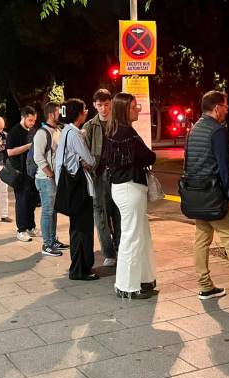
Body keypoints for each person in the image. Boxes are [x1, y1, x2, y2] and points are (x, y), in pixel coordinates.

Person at [185, 91, 229, 302]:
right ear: (216, 108)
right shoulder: (217, 131)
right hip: (216, 196)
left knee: (201, 240)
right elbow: (224, 168)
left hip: (196, 195)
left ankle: (205, 286)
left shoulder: (193, 129)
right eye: (225, 106)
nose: (227, 110)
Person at [104, 93, 157, 299]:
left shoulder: (114, 131)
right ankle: (127, 285)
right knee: (132, 236)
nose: (138, 109)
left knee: (138, 234)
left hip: (124, 187)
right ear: (124, 109)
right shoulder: (127, 134)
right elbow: (148, 156)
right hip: (130, 187)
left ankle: (142, 279)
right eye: (134, 106)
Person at [55, 99, 98, 280]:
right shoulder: (74, 134)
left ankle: (79, 267)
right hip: (79, 189)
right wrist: (89, 162)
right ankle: (81, 269)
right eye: (85, 109)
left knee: (76, 228)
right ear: (79, 114)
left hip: (69, 188)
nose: (87, 111)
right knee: (83, 229)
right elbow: (90, 159)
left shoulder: (66, 131)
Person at [83, 89, 121, 267]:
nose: (104, 109)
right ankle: (108, 252)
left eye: (106, 104)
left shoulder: (120, 123)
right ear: (94, 105)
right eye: (100, 105)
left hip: (118, 175)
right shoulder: (90, 126)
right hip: (98, 176)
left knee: (119, 213)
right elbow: (85, 151)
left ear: (111, 103)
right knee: (101, 215)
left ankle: (121, 246)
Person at [33, 102, 69, 257]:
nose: (60, 114)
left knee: (53, 211)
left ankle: (53, 240)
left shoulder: (58, 130)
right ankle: (47, 244)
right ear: (50, 114)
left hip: (54, 178)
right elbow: (38, 157)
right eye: (57, 112)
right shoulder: (42, 133)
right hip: (45, 179)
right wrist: (50, 174)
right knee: (47, 211)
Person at [7, 106, 38, 241]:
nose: (32, 123)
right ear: (23, 117)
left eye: (34, 120)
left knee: (31, 201)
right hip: (19, 171)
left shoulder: (33, 131)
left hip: (31, 171)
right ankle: (21, 230)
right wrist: (28, 146)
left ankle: (31, 227)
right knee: (21, 201)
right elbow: (10, 152)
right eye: (30, 120)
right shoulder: (15, 131)